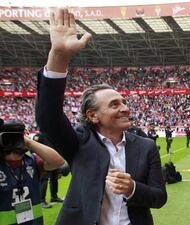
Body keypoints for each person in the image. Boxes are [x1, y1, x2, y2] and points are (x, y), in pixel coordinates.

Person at [35, 9, 167, 225]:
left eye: (124, 102)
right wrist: (59, 57)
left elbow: (159, 198)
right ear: (93, 115)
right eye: (114, 104)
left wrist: (133, 188)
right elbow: (48, 118)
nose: (125, 108)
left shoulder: (146, 146)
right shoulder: (78, 142)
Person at [0, 119, 65, 225]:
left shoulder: (32, 161)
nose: (23, 137)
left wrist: (28, 142)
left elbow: (58, 161)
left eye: (25, 134)